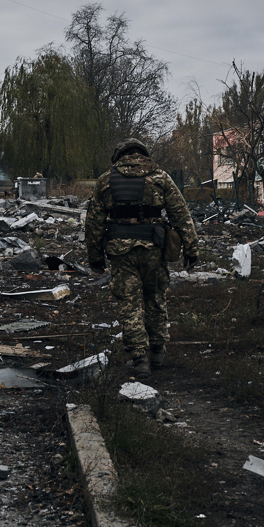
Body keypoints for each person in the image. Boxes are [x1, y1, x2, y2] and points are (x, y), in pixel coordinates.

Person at [85, 138, 200, 377]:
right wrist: (191, 249)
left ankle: (140, 359)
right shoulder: (160, 177)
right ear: (143, 154)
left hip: (120, 251)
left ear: (120, 156)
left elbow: (94, 222)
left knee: (130, 304)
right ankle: (157, 351)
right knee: (155, 298)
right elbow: (181, 214)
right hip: (153, 249)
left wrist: (95, 256)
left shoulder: (106, 180)